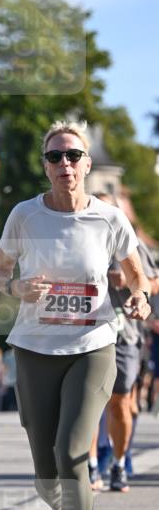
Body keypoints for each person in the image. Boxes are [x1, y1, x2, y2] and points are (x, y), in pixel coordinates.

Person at [0, 120, 151, 510]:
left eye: (75, 156)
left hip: (94, 343)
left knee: (72, 452)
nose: (66, 164)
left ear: (87, 164)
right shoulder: (24, 215)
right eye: (56, 156)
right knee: (46, 472)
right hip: (35, 347)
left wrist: (140, 298)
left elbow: (136, 274)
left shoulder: (109, 218)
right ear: (45, 165)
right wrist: (17, 288)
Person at [94, 193, 159, 491]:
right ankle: (92, 466)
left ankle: (119, 462)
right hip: (87, 332)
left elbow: (154, 280)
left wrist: (131, 283)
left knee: (120, 403)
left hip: (124, 334)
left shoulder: (131, 242)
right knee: (90, 403)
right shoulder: (80, 238)